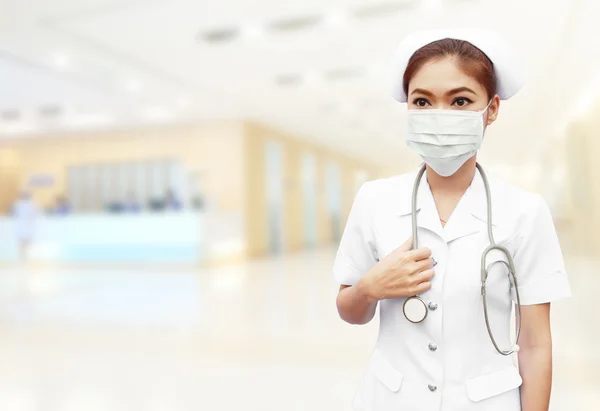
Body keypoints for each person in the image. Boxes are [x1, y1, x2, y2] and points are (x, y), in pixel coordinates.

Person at [334, 29, 571, 411]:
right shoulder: (374, 200)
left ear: (491, 109)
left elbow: (535, 344)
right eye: (423, 102)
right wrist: (370, 287)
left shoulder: (526, 212)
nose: (439, 116)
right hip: (389, 399)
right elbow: (350, 310)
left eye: (460, 101)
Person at [12, 190, 37, 262]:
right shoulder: (18, 204)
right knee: (21, 240)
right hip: (21, 224)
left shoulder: (32, 204)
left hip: (27, 224)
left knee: (27, 240)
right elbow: (15, 213)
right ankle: (22, 255)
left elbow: (34, 214)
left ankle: (25, 255)